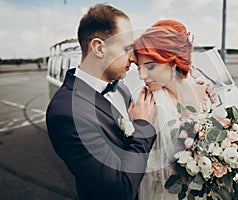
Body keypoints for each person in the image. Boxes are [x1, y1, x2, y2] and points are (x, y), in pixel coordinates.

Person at [46, 4, 157, 200]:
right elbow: (120, 190)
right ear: (99, 48)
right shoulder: (66, 113)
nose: (133, 57)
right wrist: (142, 127)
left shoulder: (119, 85)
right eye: (126, 48)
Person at [132, 19, 211, 200]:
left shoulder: (201, 89)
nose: (142, 76)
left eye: (150, 66)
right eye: (139, 67)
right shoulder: (146, 100)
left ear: (172, 62)